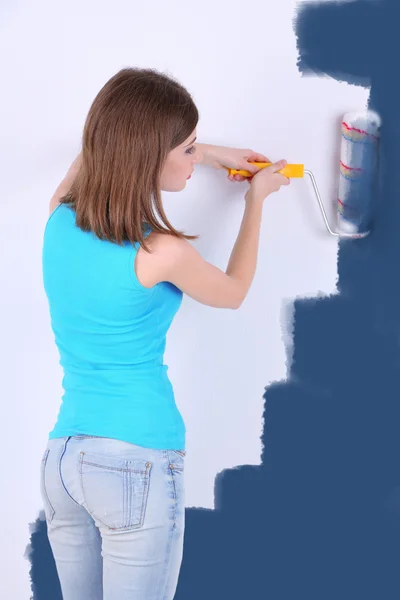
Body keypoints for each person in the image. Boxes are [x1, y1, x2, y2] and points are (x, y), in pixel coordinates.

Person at [40, 67, 290, 600]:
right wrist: (256, 201)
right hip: (134, 461)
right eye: (188, 150)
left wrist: (214, 153)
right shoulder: (160, 254)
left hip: (62, 463)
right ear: (149, 156)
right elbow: (234, 290)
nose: (194, 159)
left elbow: (93, 155)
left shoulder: (58, 219)